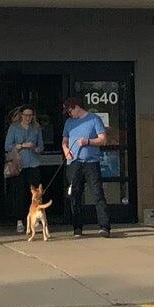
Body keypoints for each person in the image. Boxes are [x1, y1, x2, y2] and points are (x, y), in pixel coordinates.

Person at [62, 96, 111, 238]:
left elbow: (103, 139)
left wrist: (87, 141)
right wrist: (66, 150)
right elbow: (64, 140)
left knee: (97, 194)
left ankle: (104, 226)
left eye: (70, 111)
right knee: (74, 195)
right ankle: (77, 227)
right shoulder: (69, 122)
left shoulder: (94, 119)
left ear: (77, 107)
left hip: (91, 162)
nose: (69, 114)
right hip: (74, 162)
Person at [3, 105, 45, 227]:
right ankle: (20, 220)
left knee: (35, 194)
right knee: (19, 193)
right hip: (19, 164)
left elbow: (41, 147)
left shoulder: (36, 128)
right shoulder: (14, 128)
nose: (28, 118)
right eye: (25, 115)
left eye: (30, 115)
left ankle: (35, 219)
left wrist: (35, 148)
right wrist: (21, 145)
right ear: (21, 115)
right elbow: (7, 146)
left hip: (34, 163)